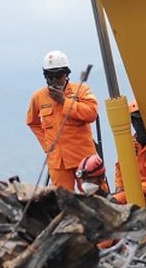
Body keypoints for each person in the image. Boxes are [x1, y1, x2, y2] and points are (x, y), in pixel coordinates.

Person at [26, 50, 100, 190]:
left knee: (92, 196)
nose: (53, 80)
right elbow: (32, 122)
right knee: (64, 200)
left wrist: (64, 101)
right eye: (49, 76)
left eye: (58, 75)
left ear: (66, 74)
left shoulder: (81, 91)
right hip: (58, 162)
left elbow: (91, 114)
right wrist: (48, 145)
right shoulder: (38, 97)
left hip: (83, 158)